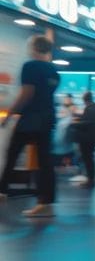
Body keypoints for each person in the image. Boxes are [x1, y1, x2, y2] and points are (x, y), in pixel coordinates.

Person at [0, 35, 60, 216]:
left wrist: (9, 115)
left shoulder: (30, 66)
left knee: (12, 154)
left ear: (34, 47)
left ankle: (2, 192)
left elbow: (27, 94)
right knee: (45, 162)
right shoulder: (54, 71)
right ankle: (46, 203)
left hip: (30, 120)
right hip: (47, 119)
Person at [74, 91, 95, 189]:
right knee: (89, 158)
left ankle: (90, 180)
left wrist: (74, 124)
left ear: (84, 100)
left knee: (88, 158)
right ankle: (90, 179)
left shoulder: (89, 109)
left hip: (88, 138)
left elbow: (87, 123)